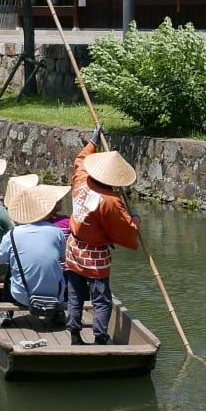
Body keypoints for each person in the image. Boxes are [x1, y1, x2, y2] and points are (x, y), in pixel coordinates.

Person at [66, 125, 140, 346]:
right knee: (101, 299)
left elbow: (80, 160)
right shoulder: (110, 200)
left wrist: (92, 141)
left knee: (76, 294)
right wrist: (135, 220)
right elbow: (124, 227)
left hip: (74, 248)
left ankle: (74, 334)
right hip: (95, 254)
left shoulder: (81, 180)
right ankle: (99, 337)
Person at [0, 184, 70, 322]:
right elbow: (64, 259)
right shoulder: (56, 231)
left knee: (10, 267)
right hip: (56, 295)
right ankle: (59, 313)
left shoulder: (13, 233)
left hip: (22, 296)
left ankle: (7, 312)